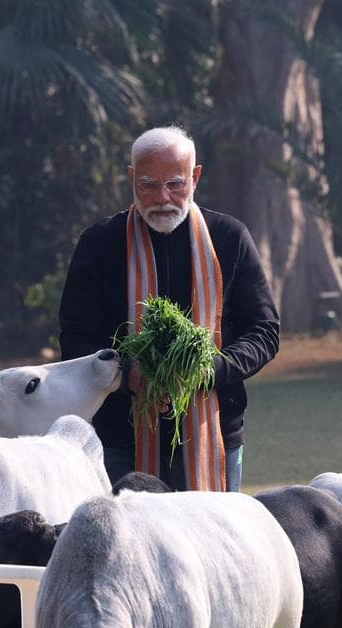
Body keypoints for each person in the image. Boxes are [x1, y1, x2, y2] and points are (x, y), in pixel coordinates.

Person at [59, 125, 280, 494]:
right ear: (131, 178)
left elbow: (264, 331)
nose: (162, 198)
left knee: (214, 546)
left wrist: (210, 369)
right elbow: (76, 336)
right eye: (148, 184)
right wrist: (127, 373)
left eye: (175, 184)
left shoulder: (229, 237)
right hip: (120, 439)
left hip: (216, 432)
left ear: (195, 177)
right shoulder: (99, 244)